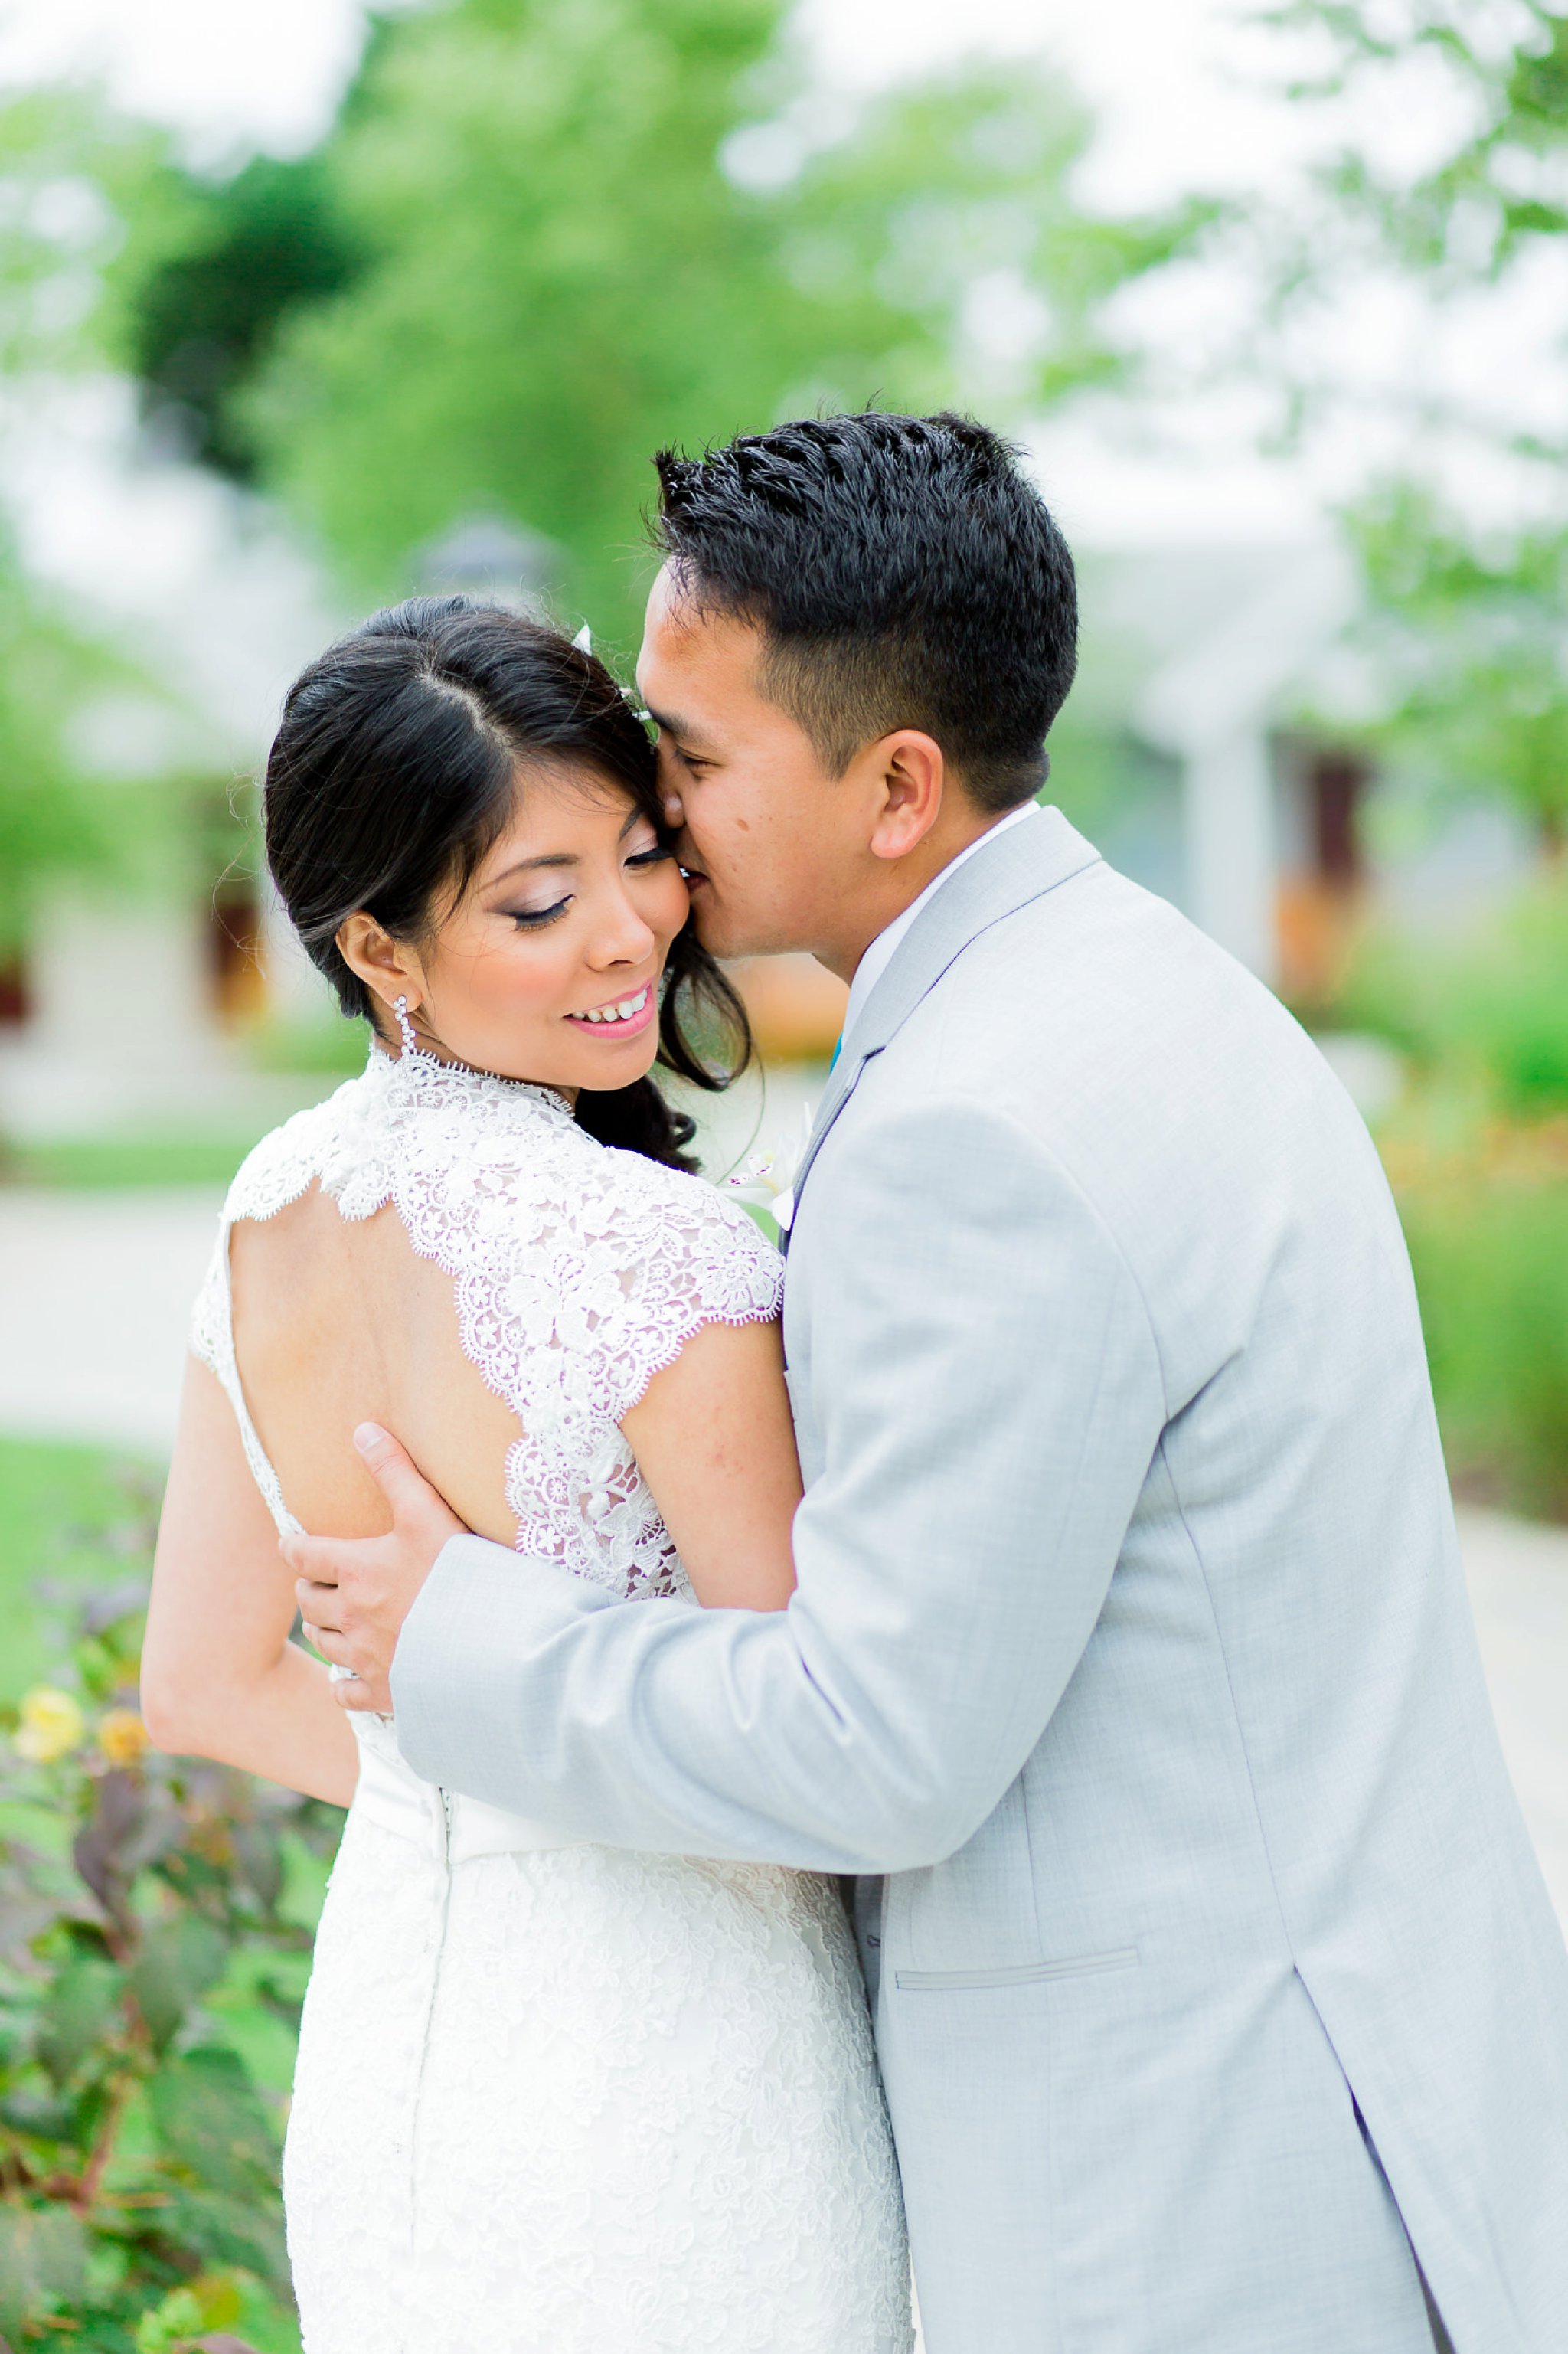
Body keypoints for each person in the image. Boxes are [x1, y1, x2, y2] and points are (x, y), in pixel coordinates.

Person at [296, 411, 1568, 2354]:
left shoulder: (984, 1128)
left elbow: (881, 1740)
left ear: (894, 785)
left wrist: (460, 1637)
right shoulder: (1129, 986)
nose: (648, 799)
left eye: (694, 758)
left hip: (1189, 2181)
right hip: (1330, 2078)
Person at [141, 600, 912, 2354]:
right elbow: (819, 1732)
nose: (632, 927)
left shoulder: (270, 1204)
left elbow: (197, 1682)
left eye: (643, 854)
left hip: (401, 2042)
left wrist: (458, 1783)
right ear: (382, 948)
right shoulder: (649, 1246)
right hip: (674, 2053)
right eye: (537, 903)